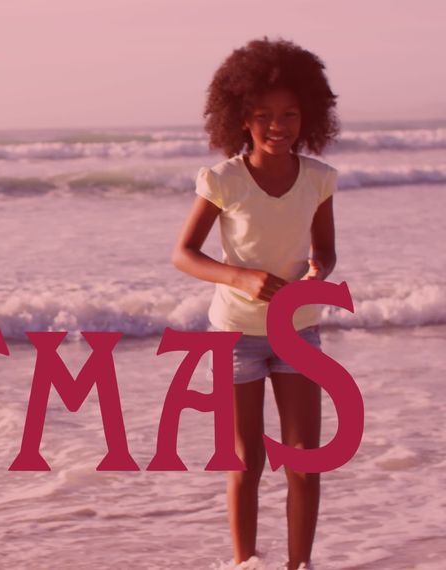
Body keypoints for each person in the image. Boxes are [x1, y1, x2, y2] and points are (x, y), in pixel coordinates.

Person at [172, 38, 340, 570]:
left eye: (289, 114)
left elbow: (325, 250)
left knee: (305, 461)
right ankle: (245, 564)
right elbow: (184, 254)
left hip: (299, 331)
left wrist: (317, 272)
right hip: (235, 335)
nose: (277, 125)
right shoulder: (224, 180)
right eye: (264, 115)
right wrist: (239, 276)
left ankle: (299, 565)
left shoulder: (318, 179)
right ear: (241, 117)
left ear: (307, 117)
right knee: (246, 461)